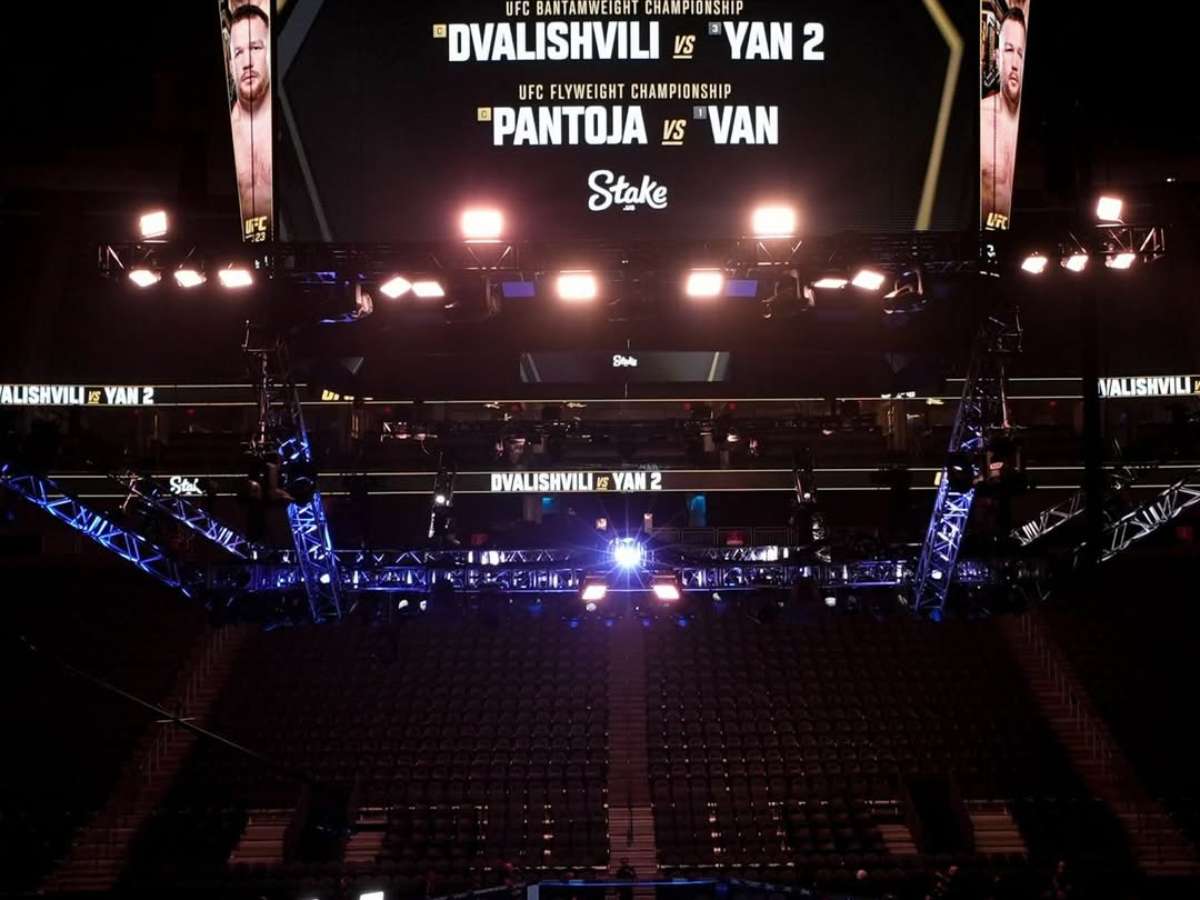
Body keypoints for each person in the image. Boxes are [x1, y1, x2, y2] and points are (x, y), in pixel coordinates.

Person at [980, 7, 1027, 228]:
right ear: (998, 57)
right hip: (981, 238)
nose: (1015, 63)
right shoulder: (982, 120)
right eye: (1009, 50)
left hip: (1019, 240)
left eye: (1020, 53)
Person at [228, 3, 273, 230]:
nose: (247, 63)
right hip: (241, 246)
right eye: (238, 53)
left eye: (255, 48)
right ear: (231, 66)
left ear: (269, 53)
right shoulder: (228, 132)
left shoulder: (286, 120)